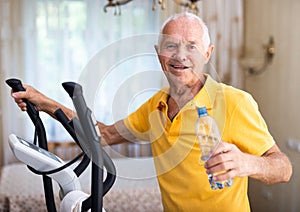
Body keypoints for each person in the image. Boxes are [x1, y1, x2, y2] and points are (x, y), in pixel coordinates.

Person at [11, 12, 292, 211]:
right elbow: (104, 134)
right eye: (172, 46)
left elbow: (283, 168)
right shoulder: (155, 106)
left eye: (192, 47)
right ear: (158, 53)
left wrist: (247, 163)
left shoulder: (235, 102)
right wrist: (44, 102)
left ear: (208, 54)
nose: (181, 56)